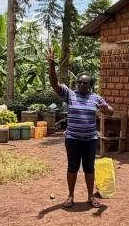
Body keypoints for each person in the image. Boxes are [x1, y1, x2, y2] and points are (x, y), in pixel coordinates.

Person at [46, 48, 114, 209]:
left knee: (89, 169)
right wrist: (51, 65)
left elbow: (110, 112)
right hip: (73, 139)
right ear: (76, 84)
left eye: (86, 83)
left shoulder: (96, 98)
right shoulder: (70, 94)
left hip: (90, 140)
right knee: (72, 167)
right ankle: (70, 196)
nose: (82, 85)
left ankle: (90, 196)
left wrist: (105, 108)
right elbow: (54, 84)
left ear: (90, 85)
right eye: (80, 82)